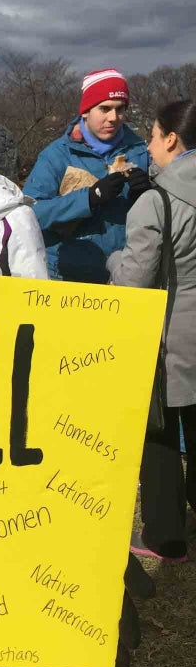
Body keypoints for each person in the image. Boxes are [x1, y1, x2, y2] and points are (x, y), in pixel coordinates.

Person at [108, 99, 196, 564]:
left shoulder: (155, 200)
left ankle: (165, 536)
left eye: (153, 136)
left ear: (171, 139)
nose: (148, 146)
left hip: (172, 335)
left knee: (160, 435)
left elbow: (133, 280)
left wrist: (110, 261)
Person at [23, 68, 150, 283]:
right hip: (70, 276)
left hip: (124, 274)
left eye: (120, 109)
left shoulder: (140, 151)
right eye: (105, 108)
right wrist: (89, 198)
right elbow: (31, 214)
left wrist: (147, 196)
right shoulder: (57, 155)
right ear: (85, 111)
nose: (113, 118)